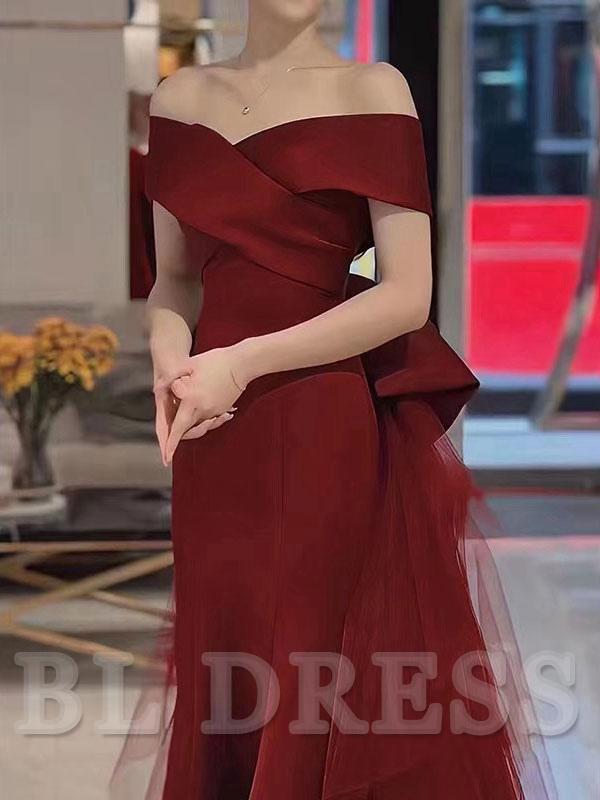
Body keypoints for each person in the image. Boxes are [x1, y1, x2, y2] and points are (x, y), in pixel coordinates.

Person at [117, 1, 556, 798]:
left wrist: (242, 363)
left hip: (318, 415)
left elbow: (406, 296)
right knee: (226, 650)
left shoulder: (373, 89)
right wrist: (170, 362)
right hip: (214, 432)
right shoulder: (181, 99)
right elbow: (174, 279)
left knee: (312, 658)